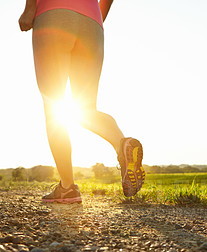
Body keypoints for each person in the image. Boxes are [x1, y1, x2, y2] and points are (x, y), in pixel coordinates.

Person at [19, 0, 145, 203]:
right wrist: (96, 17)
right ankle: (122, 145)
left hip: (54, 14)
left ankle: (67, 187)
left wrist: (29, 9)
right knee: (86, 110)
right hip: (92, 23)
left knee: (53, 108)